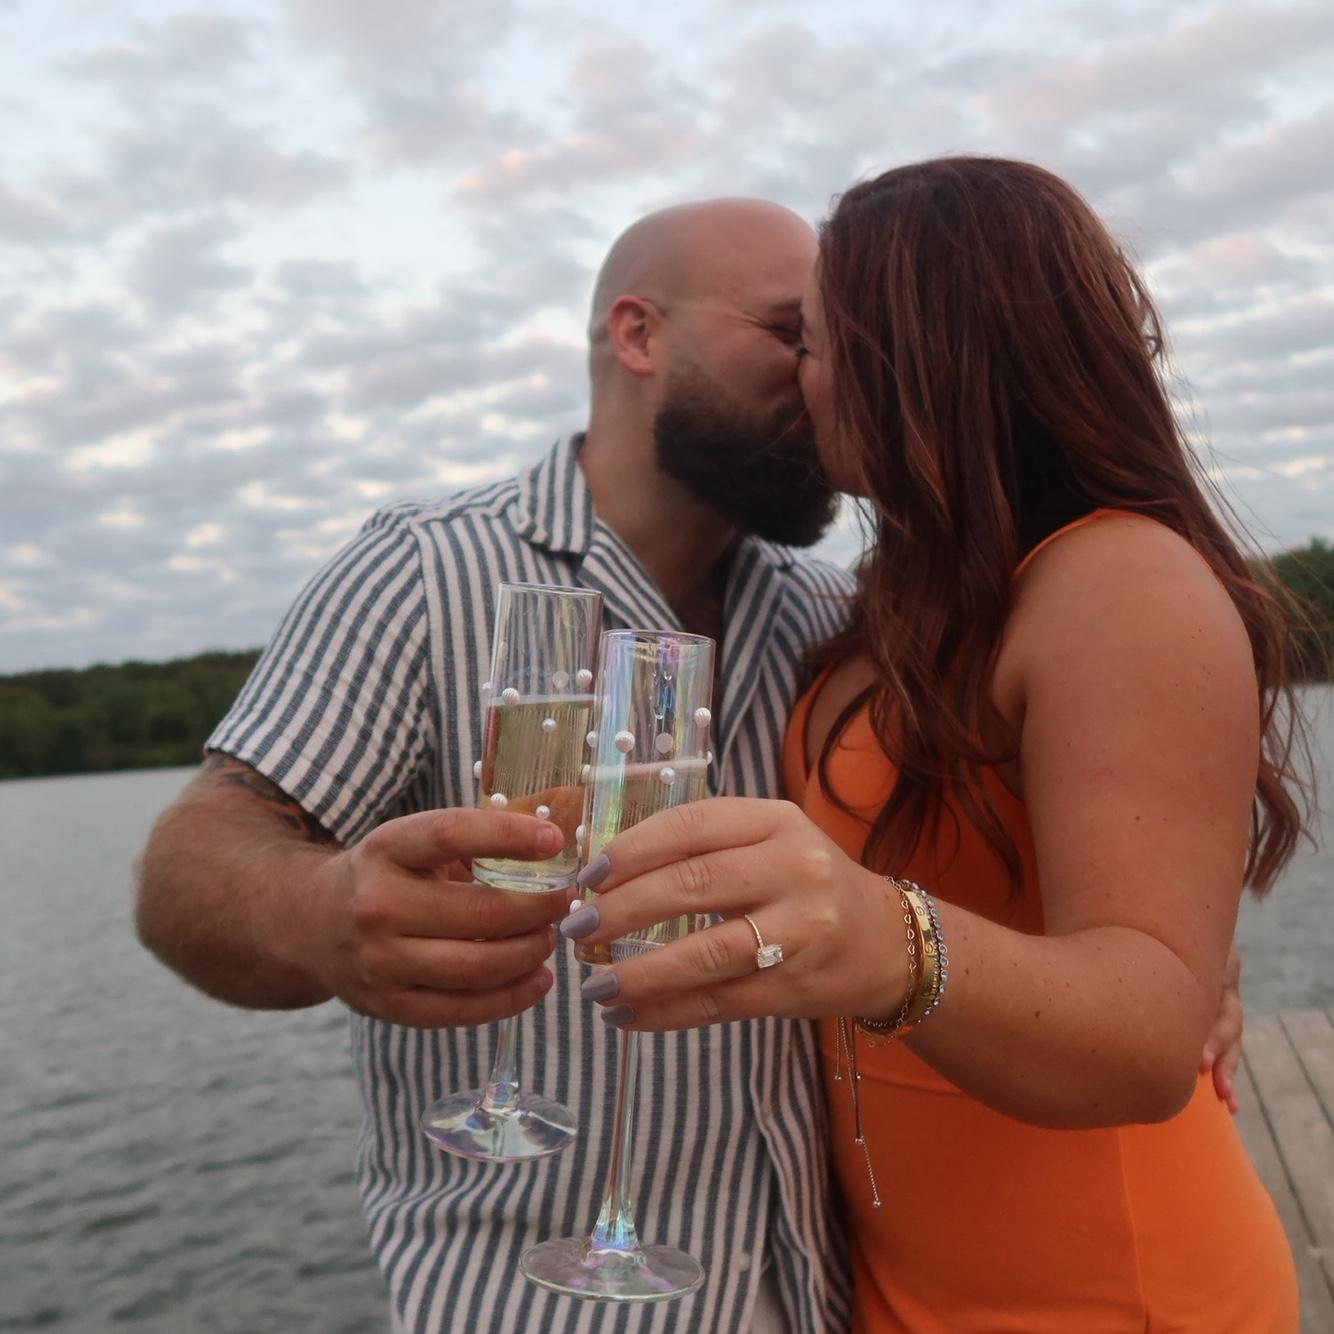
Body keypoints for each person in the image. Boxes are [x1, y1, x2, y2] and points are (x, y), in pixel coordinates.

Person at [137, 192, 1247, 1334]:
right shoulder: (421, 572)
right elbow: (192, 861)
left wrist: (1171, 953)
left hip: (821, 1290)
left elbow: (1037, 869)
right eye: (790, 331)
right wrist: (319, 911)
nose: (821, 372)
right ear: (638, 335)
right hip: (544, 1303)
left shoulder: (828, 615)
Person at [560, 158, 1305, 1332]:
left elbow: (1150, 1033)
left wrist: (877, 934)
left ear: (917, 347)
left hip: (1101, 1291)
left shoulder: (1119, 581)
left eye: (812, 341)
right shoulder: (896, 599)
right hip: (900, 1285)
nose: (796, 378)